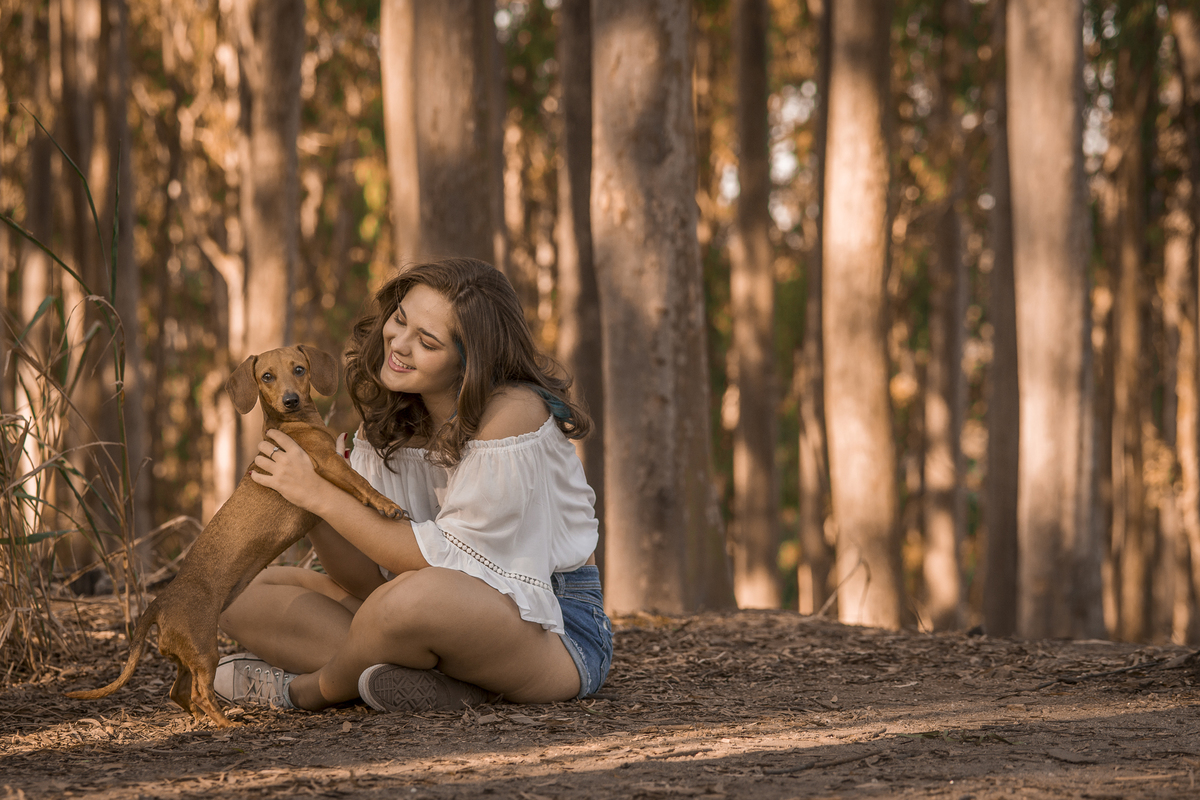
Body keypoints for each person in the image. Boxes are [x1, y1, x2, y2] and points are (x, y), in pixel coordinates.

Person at [214, 257, 612, 713]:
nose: (398, 344)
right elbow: (366, 578)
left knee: (411, 599)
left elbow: (443, 562)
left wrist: (319, 494)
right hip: (419, 609)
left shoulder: (514, 413)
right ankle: (439, 683)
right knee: (235, 589)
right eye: (399, 319)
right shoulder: (396, 416)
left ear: (470, 359)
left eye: (426, 341)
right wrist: (314, 498)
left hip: (551, 630)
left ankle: (305, 690)